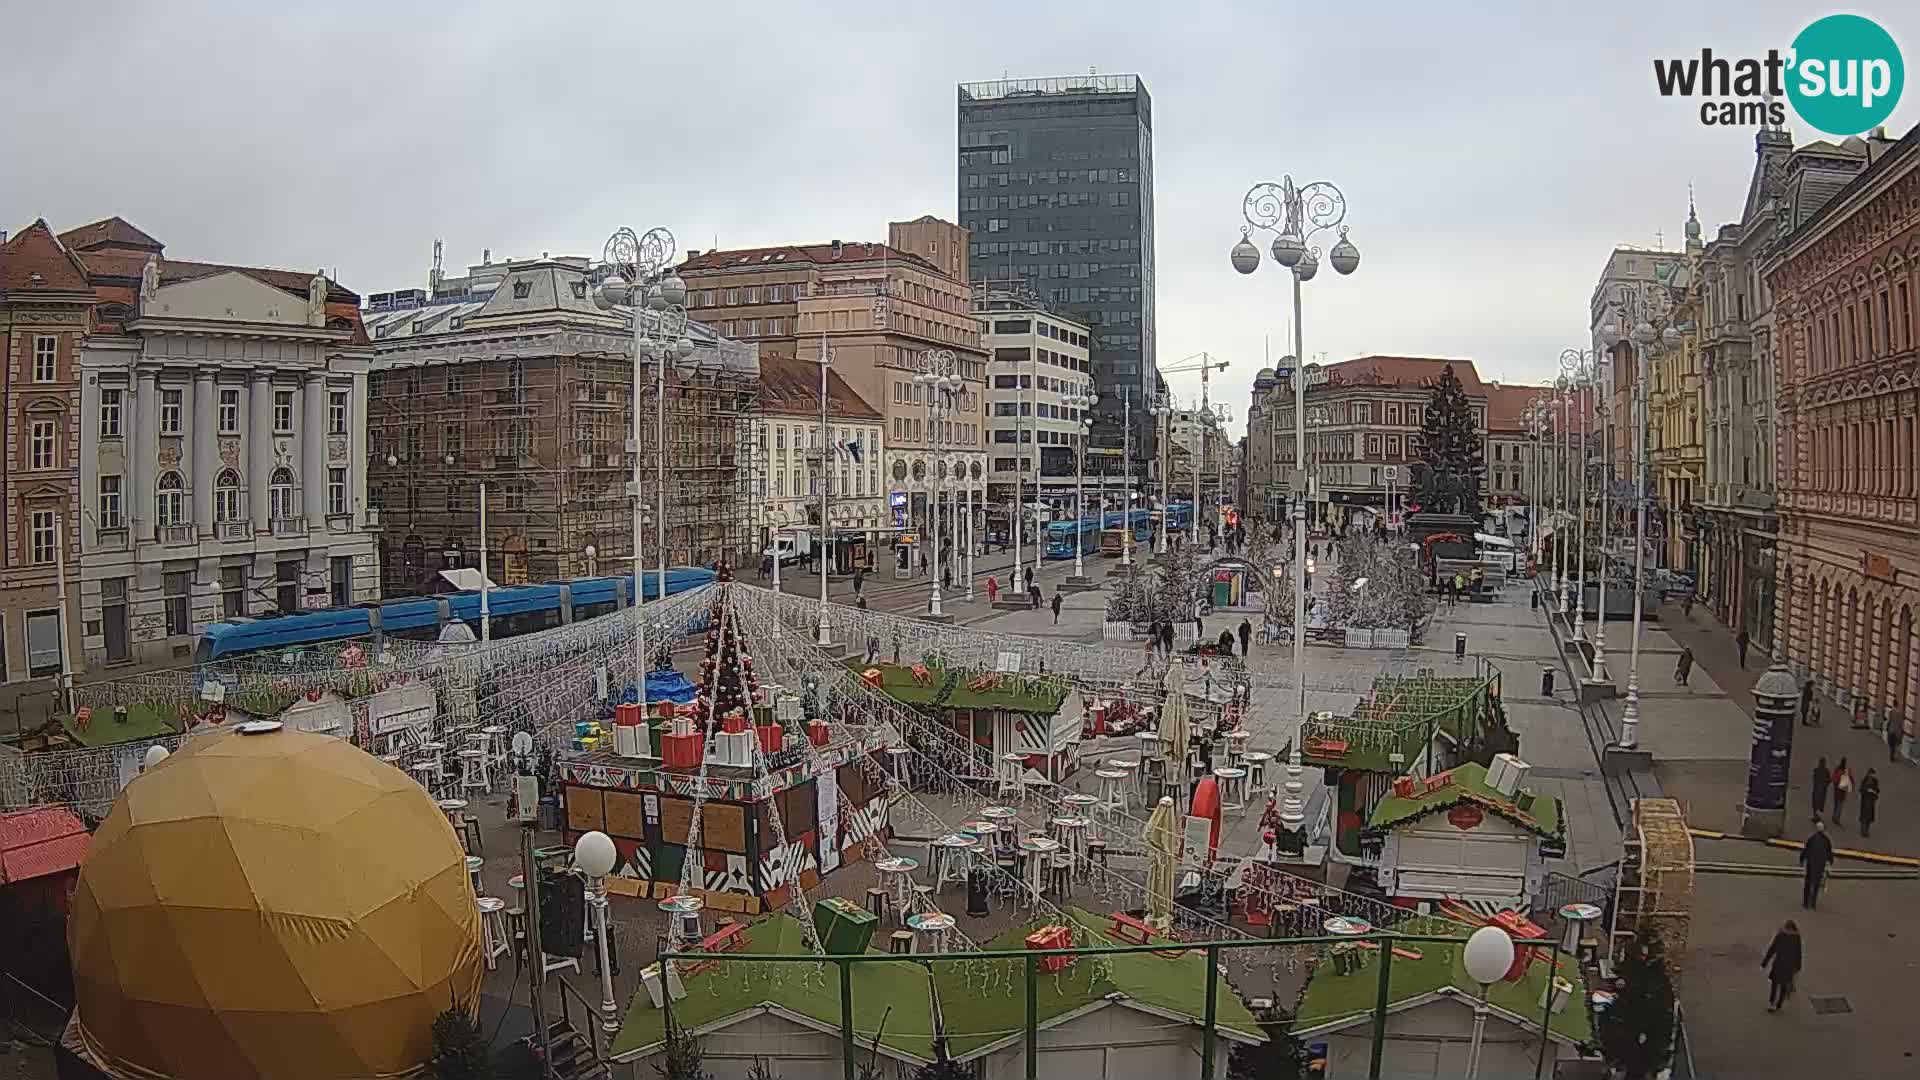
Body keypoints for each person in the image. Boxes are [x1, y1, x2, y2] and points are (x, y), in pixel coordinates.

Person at [1762, 920, 1802, 1012]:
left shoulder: (1780, 935)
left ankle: (1772, 1003)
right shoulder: (1797, 938)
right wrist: (1798, 967)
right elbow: (1798, 953)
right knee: (1784, 986)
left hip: (1778, 965)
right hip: (1789, 966)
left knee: (1774, 985)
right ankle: (1779, 1004)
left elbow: (1772, 949)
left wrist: (1764, 963)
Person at [1800, 819, 1833, 909]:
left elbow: (1806, 850)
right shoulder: (1826, 840)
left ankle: (1806, 902)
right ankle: (1813, 903)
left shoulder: (1812, 838)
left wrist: (1802, 859)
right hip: (1820, 866)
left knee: (1808, 882)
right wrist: (1830, 862)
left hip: (1810, 864)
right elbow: (1829, 852)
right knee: (1816, 884)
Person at [1831, 757, 1853, 825]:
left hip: (1836, 789)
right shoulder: (1846, 771)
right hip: (1843, 790)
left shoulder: (1837, 769)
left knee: (1836, 803)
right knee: (1840, 805)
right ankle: (1836, 818)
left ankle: (1834, 816)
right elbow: (1851, 779)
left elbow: (1833, 778)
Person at [1858, 768, 1880, 837]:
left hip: (1871, 801)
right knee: (1864, 817)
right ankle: (1863, 831)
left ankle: (1866, 831)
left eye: (1873, 774)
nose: (1872, 775)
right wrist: (1867, 790)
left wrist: (1874, 791)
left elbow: (1877, 790)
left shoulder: (1875, 781)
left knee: (1868, 818)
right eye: (1871, 774)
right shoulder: (1864, 780)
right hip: (1865, 801)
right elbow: (1861, 789)